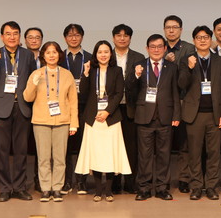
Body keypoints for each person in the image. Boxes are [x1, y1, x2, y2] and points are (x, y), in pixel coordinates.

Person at [0, 21, 37, 202]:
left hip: (22, 107)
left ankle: (20, 187)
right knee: (2, 151)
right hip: (0, 109)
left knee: (21, 151)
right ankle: (5, 188)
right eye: (8, 34)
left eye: (15, 33)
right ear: (2, 37)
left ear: (19, 36)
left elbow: (33, 81)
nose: (12, 37)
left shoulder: (27, 55)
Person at [178, 25, 221, 200]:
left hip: (215, 115)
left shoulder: (220, 62)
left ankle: (211, 187)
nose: (202, 40)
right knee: (194, 153)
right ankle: (196, 186)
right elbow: (181, 84)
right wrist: (190, 68)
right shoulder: (186, 60)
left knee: (213, 154)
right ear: (194, 40)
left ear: (211, 39)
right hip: (194, 115)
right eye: (199, 37)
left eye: (206, 37)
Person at [125, 34, 180, 201]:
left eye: (159, 46)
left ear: (165, 48)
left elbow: (175, 93)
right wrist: (135, 76)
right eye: (153, 47)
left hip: (165, 116)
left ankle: (162, 188)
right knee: (144, 156)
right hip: (144, 117)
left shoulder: (171, 67)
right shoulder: (139, 66)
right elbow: (130, 91)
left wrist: (176, 114)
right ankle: (144, 188)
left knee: (164, 155)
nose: (156, 50)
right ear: (147, 49)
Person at [75, 40, 131, 202]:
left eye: (106, 52)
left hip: (111, 118)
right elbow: (83, 93)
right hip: (93, 118)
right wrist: (85, 74)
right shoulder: (91, 70)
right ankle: (98, 190)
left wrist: (107, 111)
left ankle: (109, 190)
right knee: (96, 155)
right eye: (100, 52)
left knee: (110, 154)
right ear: (95, 54)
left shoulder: (117, 70)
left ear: (110, 54)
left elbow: (119, 94)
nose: (103, 55)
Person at [23, 41, 78, 202]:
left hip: (62, 120)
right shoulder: (36, 74)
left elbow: (73, 101)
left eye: (54, 52)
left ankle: (57, 188)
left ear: (59, 55)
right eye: (48, 52)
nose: (51, 55)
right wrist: (34, 84)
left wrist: (73, 123)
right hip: (41, 120)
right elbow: (27, 97)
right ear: (43, 56)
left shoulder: (67, 74)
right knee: (43, 158)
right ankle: (46, 188)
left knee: (60, 158)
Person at [162, 15, 195, 194]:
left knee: (184, 143)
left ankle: (184, 178)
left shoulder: (189, 48)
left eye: (175, 27)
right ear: (164, 30)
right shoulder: (159, 47)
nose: (171, 30)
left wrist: (173, 63)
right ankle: (164, 179)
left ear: (181, 30)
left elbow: (188, 74)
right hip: (164, 102)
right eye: (168, 27)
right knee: (164, 144)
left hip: (183, 100)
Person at [111, 24, 145, 194]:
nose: (122, 38)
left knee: (131, 148)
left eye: (126, 35)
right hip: (111, 109)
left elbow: (142, 84)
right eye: (119, 35)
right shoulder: (107, 55)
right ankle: (114, 183)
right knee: (113, 146)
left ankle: (131, 182)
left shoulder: (139, 57)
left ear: (130, 38)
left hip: (131, 108)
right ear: (113, 38)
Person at [59, 23, 92, 194]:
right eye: (70, 35)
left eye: (77, 35)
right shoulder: (58, 57)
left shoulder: (90, 58)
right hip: (63, 107)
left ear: (82, 37)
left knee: (82, 146)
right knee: (64, 146)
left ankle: (81, 181)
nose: (74, 38)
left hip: (84, 107)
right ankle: (66, 181)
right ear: (65, 38)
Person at [24, 27, 44, 193]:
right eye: (30, 37)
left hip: (43, 106)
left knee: (42, 147)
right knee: (22, 145)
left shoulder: (47, 57)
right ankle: (22, 181)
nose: (34, 40)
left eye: (37, 37)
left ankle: (40, 179)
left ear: (41, 40)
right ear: (25, 40)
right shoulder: (21, 57)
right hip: (24, 104)